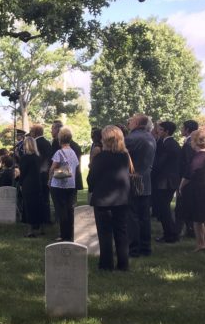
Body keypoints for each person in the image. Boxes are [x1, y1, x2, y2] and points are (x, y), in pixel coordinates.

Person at [88, 125, 131, 271]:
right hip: (121, 198)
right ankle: (123, 264)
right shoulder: (125, 156)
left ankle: (106, 264)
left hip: (103, 199)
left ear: (104, 139)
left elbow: (91, 179)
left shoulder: (100, 157)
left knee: (105, 233)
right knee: (122, 232)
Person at [125, 114, 156, 257]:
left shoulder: (131, 139)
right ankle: (146, 248)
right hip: (146, 180)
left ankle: (133, 249)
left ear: (137, 122)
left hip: (132, 180)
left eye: (131, 120)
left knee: (132, 216)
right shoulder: (151, 137)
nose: (129, 122)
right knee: (144, 217)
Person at [179, 130, 205, 252]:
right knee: (202, 218)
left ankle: (201, 243)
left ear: (195, 141)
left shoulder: (199, 156)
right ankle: (204, 242)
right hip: (204, 185)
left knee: (197, 218)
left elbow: (189, 174)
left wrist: (181, 186)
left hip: (197, 188)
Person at [152, 121, 182, 243]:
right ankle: (171, 233)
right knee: (164, 208)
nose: (157, 131)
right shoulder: (166, 142)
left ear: (167, 131)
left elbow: (159, 164)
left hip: (166, 181)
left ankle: (170, 235)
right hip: (168, 180)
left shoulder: (169, 145)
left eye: (160, 130)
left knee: (164, 209)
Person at [49, 126, 79, 242]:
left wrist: (49, 178)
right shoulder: (73, 152)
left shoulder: (59, 152)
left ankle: (63, 234)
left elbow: (52, 168)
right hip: (71, 184)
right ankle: (70, 233)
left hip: (59, 184)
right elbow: (75, 165)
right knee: (69, 209)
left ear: (60, 139)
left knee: (61, 210)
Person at [176, 119, 199, 238]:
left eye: (182, 127)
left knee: (183, 206)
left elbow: (188, 164)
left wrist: (182, 181)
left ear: (188, 129)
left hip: (187, 180)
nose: (181, 129)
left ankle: (184, 231)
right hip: (189, 179)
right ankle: (189, 230)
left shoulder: (190, 143)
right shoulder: (191, 142)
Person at [19, 137, 43, 237]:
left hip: (28, 184)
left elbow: (23, 172)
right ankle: (40, 228)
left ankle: (30, 231)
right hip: (37, 183)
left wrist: (20, 183)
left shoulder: (24, 158)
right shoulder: (38, 157)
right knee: (37, 205)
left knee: (28, 207)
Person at [31, 124, 53, 224]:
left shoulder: (35, 143)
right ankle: (47, 218)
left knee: (38, 197)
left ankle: (39, 218)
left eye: (32, 131)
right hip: (47, 172)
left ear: (35, 132)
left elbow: (35, 160)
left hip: (38, 173)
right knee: (46, 197)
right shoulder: (48, 143)